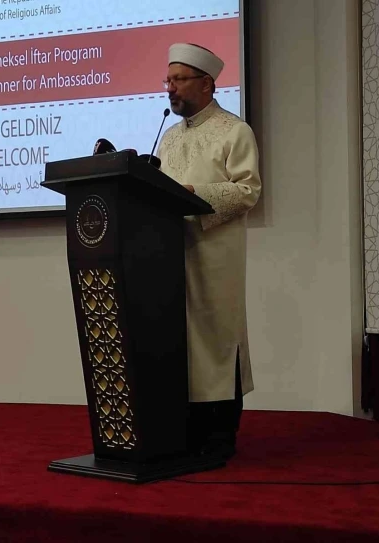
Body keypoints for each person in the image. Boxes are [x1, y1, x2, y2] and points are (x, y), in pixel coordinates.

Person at [156, 43, 262, 460]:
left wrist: (193, 195)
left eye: (178, 80)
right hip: (168, 257)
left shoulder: (235, 131)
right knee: (179, 344)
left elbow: (248, 190)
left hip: (215, 257)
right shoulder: (168, 138)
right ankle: (183, 433)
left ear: (206, 84)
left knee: (217, 343)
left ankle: (219, 438)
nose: (170, 88)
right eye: (168, 80)